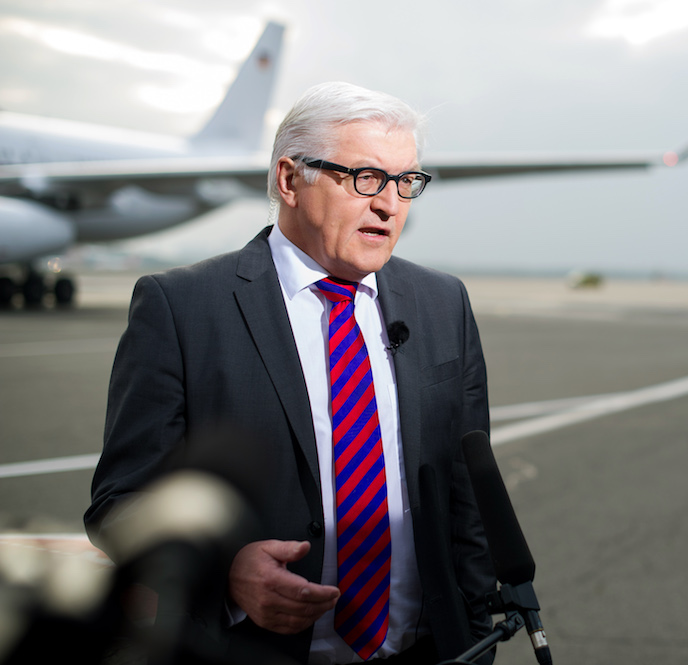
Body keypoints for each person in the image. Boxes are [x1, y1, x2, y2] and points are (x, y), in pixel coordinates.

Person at [84, 81, 497, 665]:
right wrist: (224, 572)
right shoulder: (183, 307)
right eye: (366, 178)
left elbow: (468, 494)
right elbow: (120, 501)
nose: (390, 204)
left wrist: (476, 641)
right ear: (289, 180)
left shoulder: (441, 302)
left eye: (407, 182)